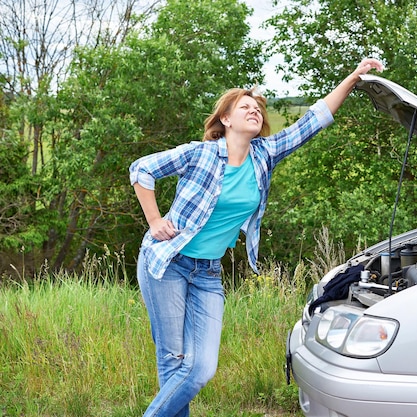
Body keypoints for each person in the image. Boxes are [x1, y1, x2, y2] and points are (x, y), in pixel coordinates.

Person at [129, 58, 384, 417]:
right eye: (244, 107)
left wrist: (354, 77)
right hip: (167, 263)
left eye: (257, 109)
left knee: (201, 368)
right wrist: (154, 220)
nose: (254, 112)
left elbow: (315, 118)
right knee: (174, 362)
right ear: (225, 120)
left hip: (207, 275)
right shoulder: (199, 154)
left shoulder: (265, 155)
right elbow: (142, 169)